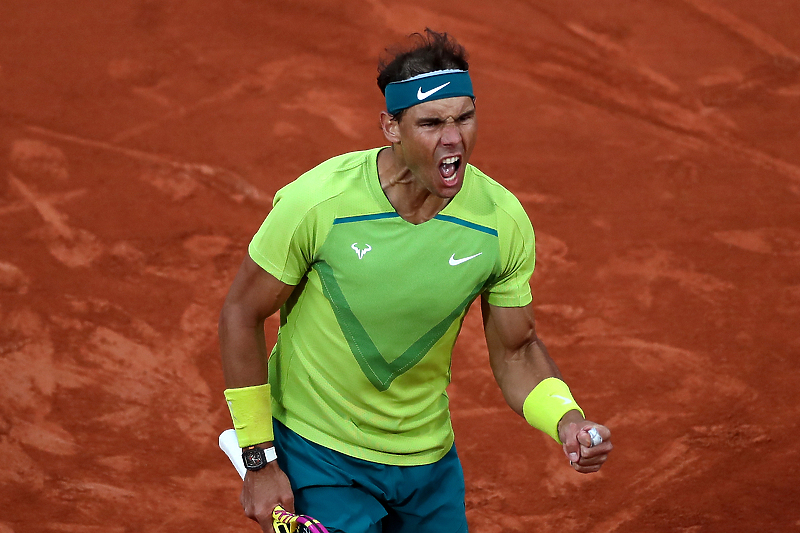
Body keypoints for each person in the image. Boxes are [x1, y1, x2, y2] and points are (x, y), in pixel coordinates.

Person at [218, 29, 612, 533]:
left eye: (464, 117)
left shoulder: (500, 222)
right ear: (391, 127)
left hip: (427, 463)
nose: (453, 139)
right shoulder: (319, 203)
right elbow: (242, 312)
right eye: (430, 123)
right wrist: (260, 460)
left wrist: (568, 419)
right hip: (319, 452)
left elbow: (516, 350)